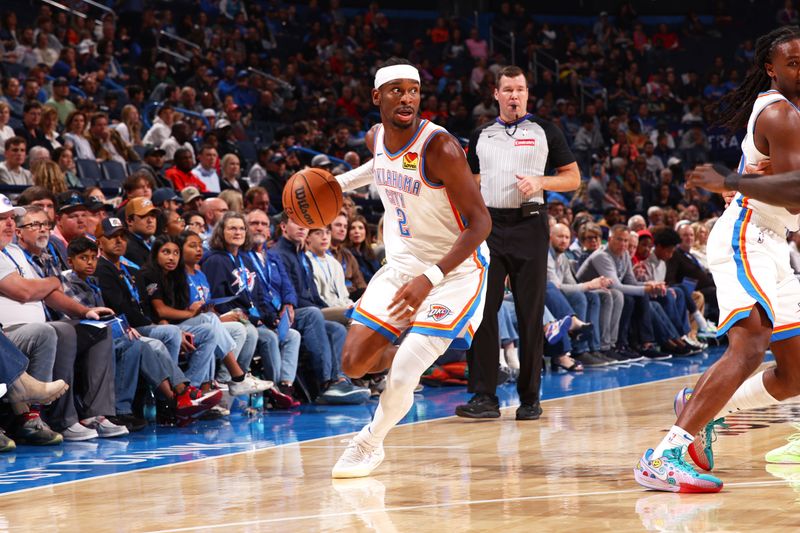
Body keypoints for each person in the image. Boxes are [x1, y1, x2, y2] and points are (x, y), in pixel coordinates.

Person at [634, 26, 800, 493]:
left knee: (794, 373)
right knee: (749, 344)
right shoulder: (780, 112)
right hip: (747, 235)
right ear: (771, 68)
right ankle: (665, 456)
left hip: (775, 243)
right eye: (792, 62)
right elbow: (796, 197)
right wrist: (739, 181)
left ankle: (702, 404)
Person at [329, 58, 491, 478]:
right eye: (397, 90)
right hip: (403, 266)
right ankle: (413, 350)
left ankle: (369, 442)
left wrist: (431, 277)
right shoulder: (375, 137)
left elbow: (481, 223)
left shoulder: (442, 148)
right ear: (376, 97)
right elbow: (380, 167)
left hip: (455, 272)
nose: (407, 97)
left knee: (401, 375)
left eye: (413, 90)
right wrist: (336, 185)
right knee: (352, 363)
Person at [456, 65, 579, 421]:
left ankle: (530, 398)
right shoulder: (481, 135)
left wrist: (541, 181)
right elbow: (473, 178)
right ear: (495, 94)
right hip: (489, 226)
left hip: (530, 224)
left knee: (529, 312)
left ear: (527, 94)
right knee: (482, 311)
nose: (514, 96)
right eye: (507, 89)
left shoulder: (545, 131)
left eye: (520, 90)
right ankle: (484, 396)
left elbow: (572, 178)